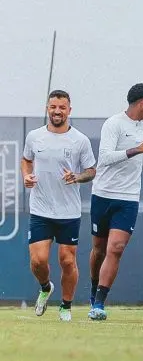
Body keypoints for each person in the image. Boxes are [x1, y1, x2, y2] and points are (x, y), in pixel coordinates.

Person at [21, 90, 96, 322]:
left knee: (67, 260)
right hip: (41, 210)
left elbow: (91, 171)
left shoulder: (80, 140)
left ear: (69, 111)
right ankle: (45, 288)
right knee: (38, 260)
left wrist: (77, 177)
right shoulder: (34, 136)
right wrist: (26, 176)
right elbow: (26, 159)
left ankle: (66, 306)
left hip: (68, 212)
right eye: (53, 107)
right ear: (48, 108)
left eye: (62, 107)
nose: (57, 111)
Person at [89, 83, 143, 320]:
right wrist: (137, 150)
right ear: (142, 103)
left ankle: (99, 303)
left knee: (115, 248)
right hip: (103, 195)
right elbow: (105, 158)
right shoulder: (114, 123)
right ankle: (92, 289)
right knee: (98, 248)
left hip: (127, 199)